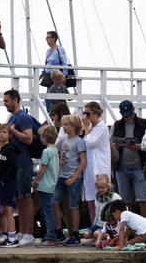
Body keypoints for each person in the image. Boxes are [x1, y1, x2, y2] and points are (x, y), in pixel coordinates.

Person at [2, 90, 38, 247]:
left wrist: (13, 131)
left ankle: (29, 233)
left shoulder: (23, 117)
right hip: (15, 164)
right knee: (18, 198)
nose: (5, 104)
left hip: (23, 163)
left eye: (7, 101)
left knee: (25, 198)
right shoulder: (13, 117)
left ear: (16, 100)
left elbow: (29, 138)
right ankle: (22, 232)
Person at [113, 100, 146, 217]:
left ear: (133, 111)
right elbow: (109, 143)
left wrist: (138, 146)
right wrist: (115, 146)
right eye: (125, 115)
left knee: (142, 199)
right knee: (125, 201)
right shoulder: (116, 125)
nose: (128, 117)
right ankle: (129, 227)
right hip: (121, 167)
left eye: (129, 114)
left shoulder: (144, 123)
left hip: (140, 166)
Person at [57, 114, 88, 245]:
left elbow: (83, 161)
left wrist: (74, 177)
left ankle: (75, 233)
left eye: (67, 124)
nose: (64, 127)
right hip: (61, 176)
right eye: (63, 124)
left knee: (73, 205)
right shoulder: (63, 141)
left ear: (74, 126)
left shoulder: (79, 141)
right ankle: (58, 230)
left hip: (72, 177)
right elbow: (58, 156)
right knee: (54, 201)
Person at [82, 101, 111, 233]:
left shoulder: (102, 127)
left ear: (95, 113)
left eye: (87, 113)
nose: (86, 117)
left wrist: (86, 128)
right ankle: (94, 228)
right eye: (84, 113)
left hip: (99, 168)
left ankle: (103, 228)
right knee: (90, 200)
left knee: (101, 200)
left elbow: (91, 142)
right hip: (89, 169)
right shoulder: (90, 129)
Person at [34, 126, 61, 246]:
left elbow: (42, 170)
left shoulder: (46, 151)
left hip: (45, 185)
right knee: (49, 210)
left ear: (44, 137)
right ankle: (52, 234)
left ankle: (51, 236)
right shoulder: (55, 150)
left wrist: (35, 181)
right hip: (53, 184)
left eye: (41, 136)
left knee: (47, 212)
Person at [0, 124, 19, 246]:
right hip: (2, 184)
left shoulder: (9, 149)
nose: (2, 134)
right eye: (0, 132)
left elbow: (14, 166)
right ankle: (9, 236)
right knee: (5, 210)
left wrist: (4, 179)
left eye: (4, 132)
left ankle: (12, 237)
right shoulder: (1, 148)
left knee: (8, 210)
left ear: (9, 135)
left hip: (8, 183)